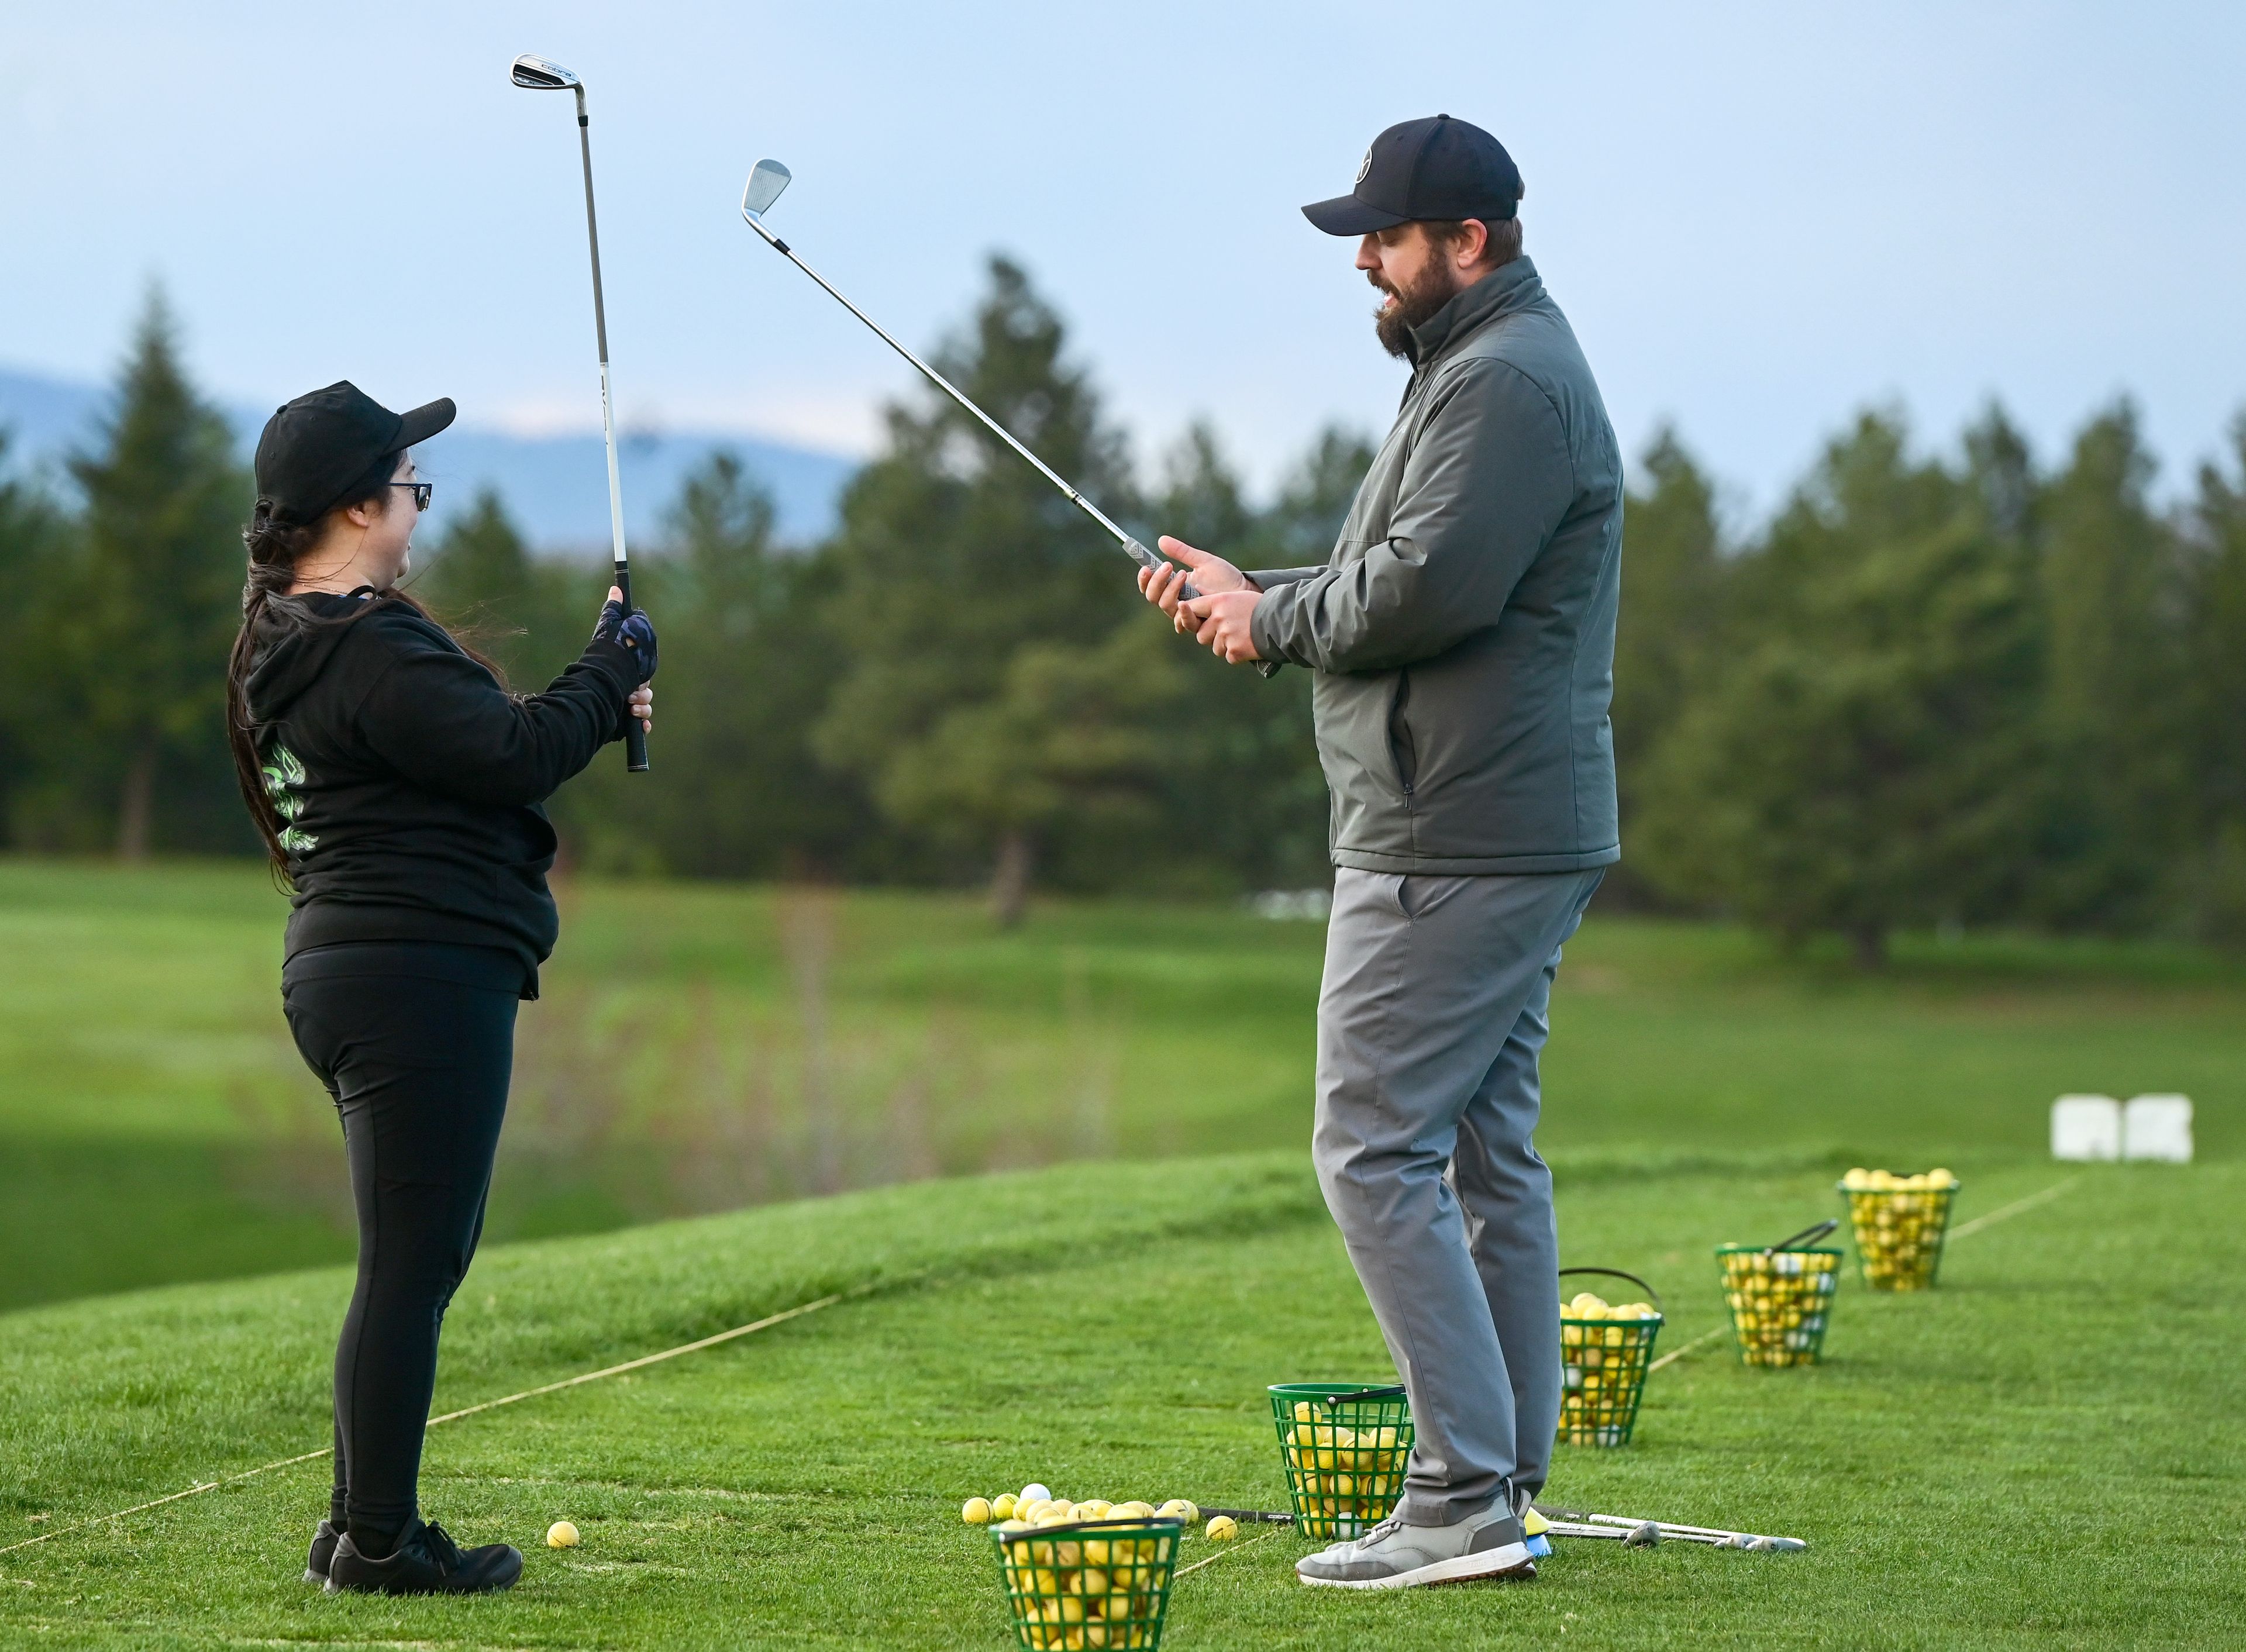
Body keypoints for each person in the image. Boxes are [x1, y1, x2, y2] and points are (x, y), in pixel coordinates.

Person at [1140, 115, 1622, 1589]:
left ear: (1465, 242)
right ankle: (1503, 1483)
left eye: (1387, 237)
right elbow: (1393, 575)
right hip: (1491, 820)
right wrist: (1257, 589)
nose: (1365, 258)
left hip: (1456, 829)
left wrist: (1271, 624)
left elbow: (1425, 595)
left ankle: (1464, 1495)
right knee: (1482, 1153)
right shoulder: (1477, 371)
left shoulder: (1504, 385)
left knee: (1372, 1146)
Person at [225, 382, 656, 1595]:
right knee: (414, 1268)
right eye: (411, 484)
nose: (419, 502)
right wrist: (609, 664)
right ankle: (378, 1543)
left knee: (406, 1262)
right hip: (415, 975)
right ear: (359, 505)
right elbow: (512, 753)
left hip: (356, 967)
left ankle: (355, 1521)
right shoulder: (363, 645)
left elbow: (473, 746)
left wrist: (591, 696)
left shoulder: (294, 638)